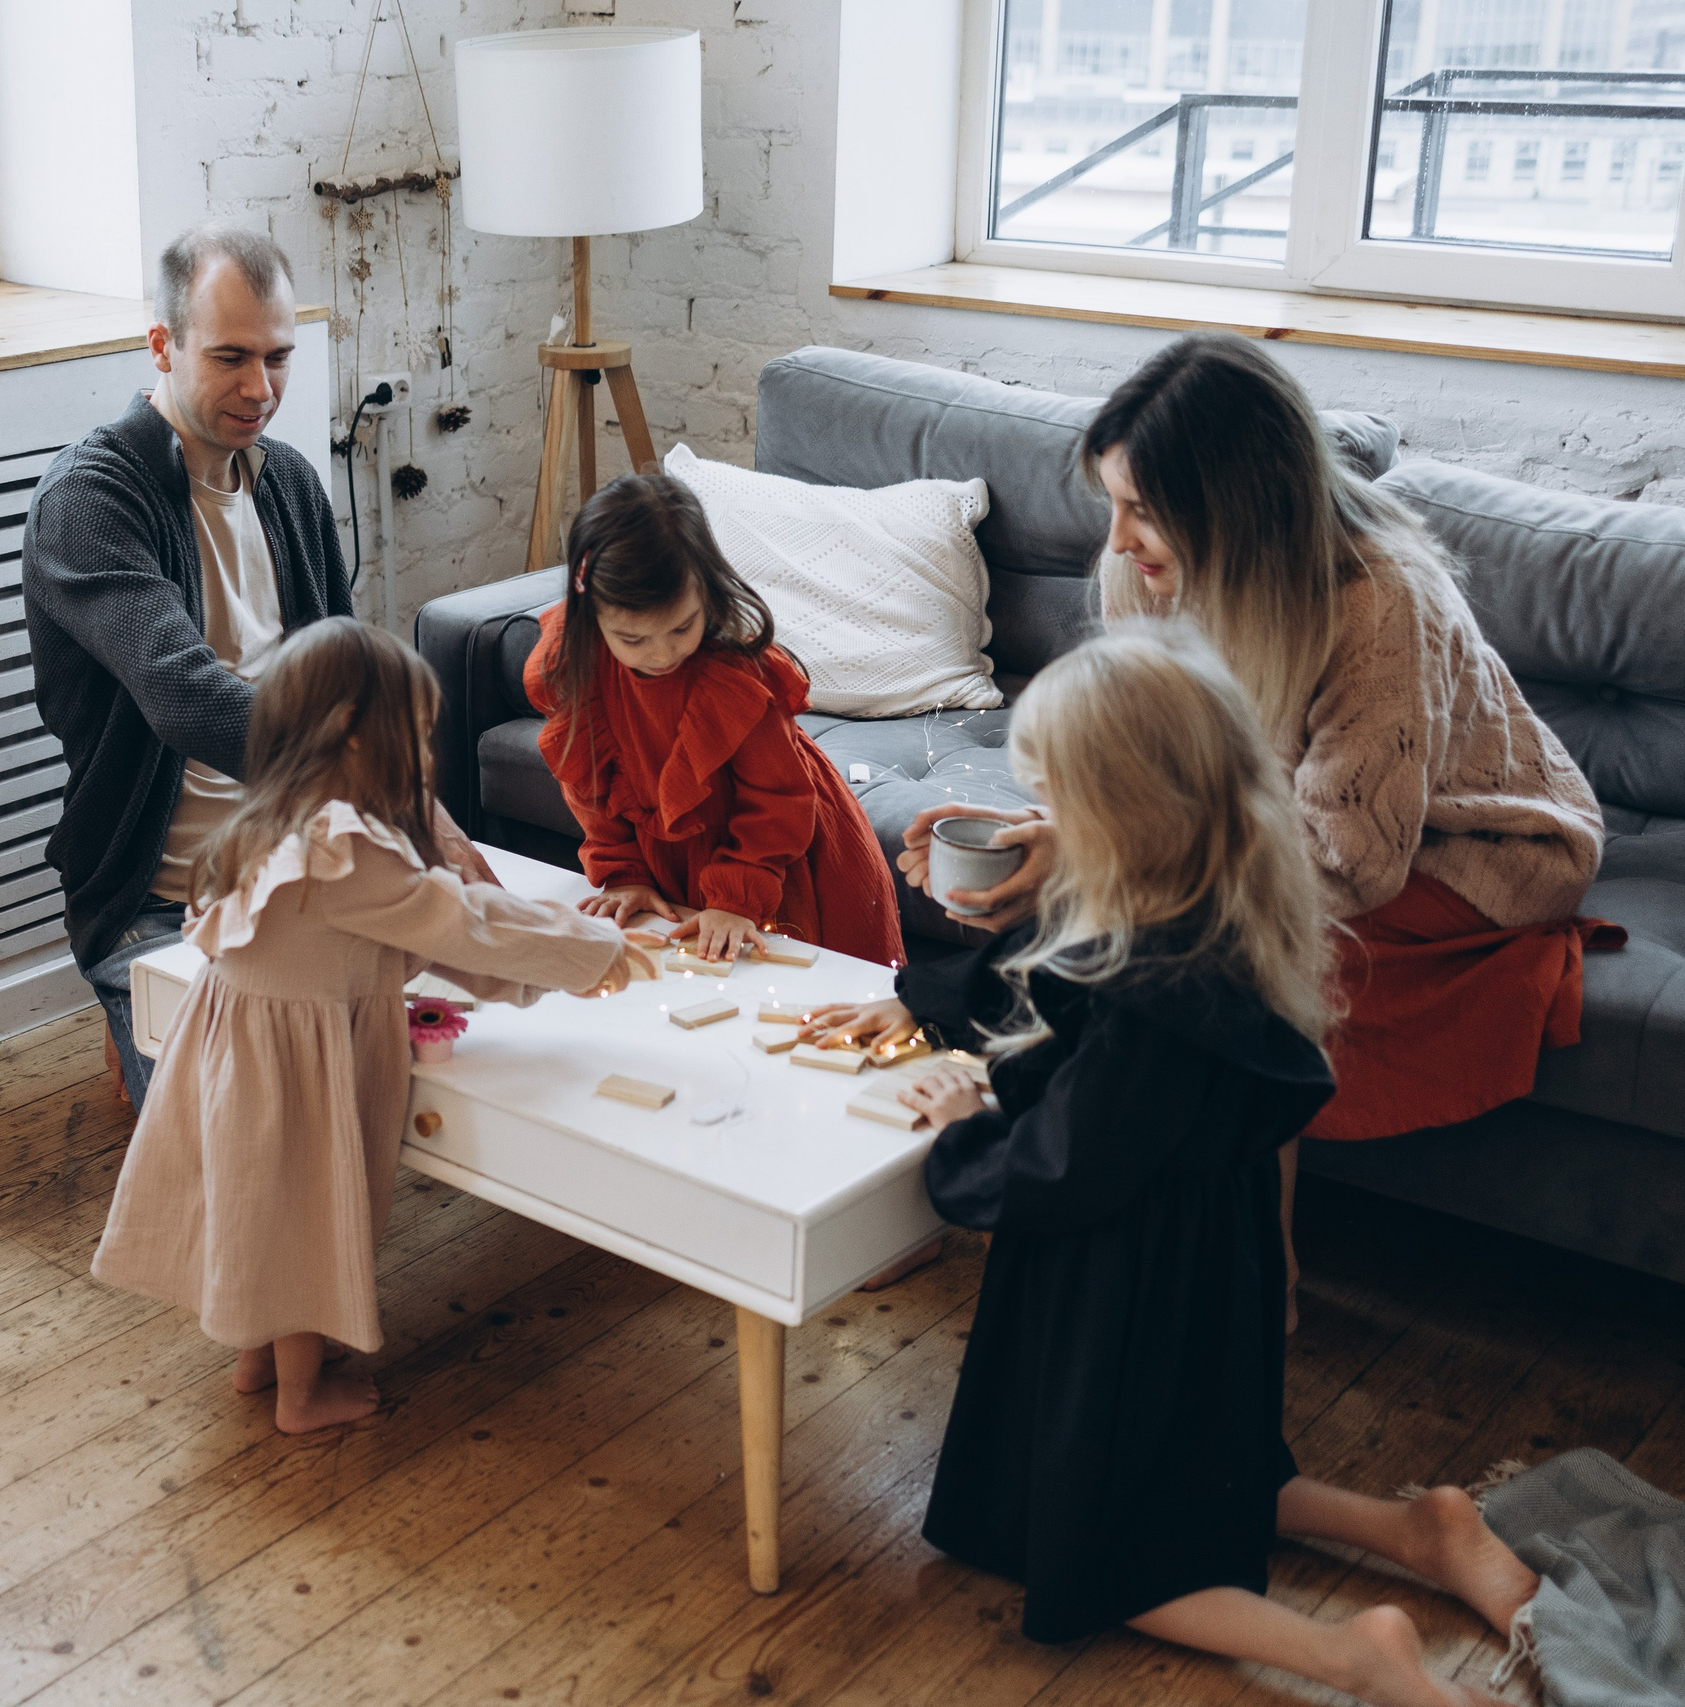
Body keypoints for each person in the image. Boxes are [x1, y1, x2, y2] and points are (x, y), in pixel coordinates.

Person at [812, 626, 1539, 1707]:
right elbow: (1046, 972)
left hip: (1126, 1276)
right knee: (1200, 1462)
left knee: (1114, 1556)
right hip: (1203, 1260)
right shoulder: (1195, 900)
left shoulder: (1153, 996)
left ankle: (1350, 1654)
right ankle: (1417, 1528)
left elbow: (1061, 1169)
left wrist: (966, 1127)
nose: (1041, 822)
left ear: (1127, 812)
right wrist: (919, 999)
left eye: (1057, 800)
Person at [898, 333, 1608, 1322]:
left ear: (1236, 502)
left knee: (1221, 961)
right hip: (1272, 826)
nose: (1115, 540)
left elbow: (1349, 861)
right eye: (1112, 502)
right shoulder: (1140, 570)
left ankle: (1256, 1272)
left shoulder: (1378, 600)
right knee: (1125, 916)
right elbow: (1142, 756)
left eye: (1143, 509)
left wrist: (1101, 862)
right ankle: (1029, 1154)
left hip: (1468, 848)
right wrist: (1053, 836)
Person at [89, 619, 652, 1432]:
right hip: (294, 1062)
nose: (425, 756)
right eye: (415, 735)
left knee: (260, 1213)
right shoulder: (346, 850)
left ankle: (257, 1361)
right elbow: (462, 923)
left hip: (240, 1047)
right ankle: (301, 1396)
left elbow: (423, 930)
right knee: (303, 1223)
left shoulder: (276, 819)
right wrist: (590, 948)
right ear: (354, 733)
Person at [23, 221, 493, 1114]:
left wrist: (414, 815)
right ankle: (137, 1010)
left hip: (310, 868)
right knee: (241, 1127)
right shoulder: (89, 501)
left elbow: (348, 684)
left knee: (470, 1048)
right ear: (162, 345)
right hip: (161, 902)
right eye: (230, 357)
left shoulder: (292, 485)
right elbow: (186, 697)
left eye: (278, 357)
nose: (260, 388)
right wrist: (379, 778)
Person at [523, 473, 905, 969]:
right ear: (590, 616)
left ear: (706, 591)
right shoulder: (576, 666)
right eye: (632, 639)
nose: (661, 654)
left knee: (802, 984)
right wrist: (624, 872)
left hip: (774, 850)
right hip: (672, 864)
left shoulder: (736, 676)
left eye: (681, 627)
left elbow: (778, 800)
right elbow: (587, 786)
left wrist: (736, 898)